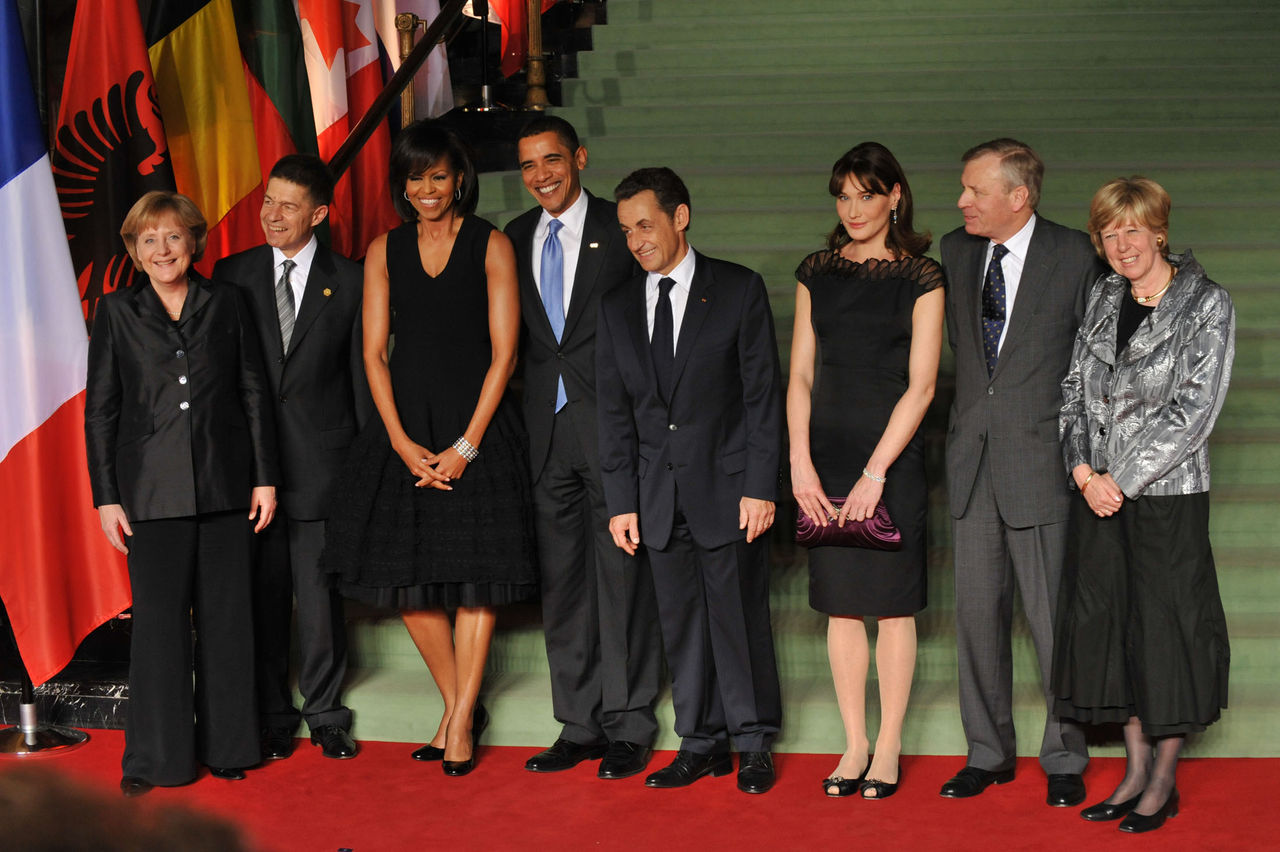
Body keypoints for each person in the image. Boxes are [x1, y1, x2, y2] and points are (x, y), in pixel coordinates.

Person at [318, 121, 537, 776]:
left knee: (475, 583)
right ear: (402, 185)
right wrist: (400, 441)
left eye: (439, 175)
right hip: (404, 432)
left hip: (480, 429)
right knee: (408, 584)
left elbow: (506, 353)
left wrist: (468, 443)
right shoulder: (385, 250)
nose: (428, 189)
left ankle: (459, 720)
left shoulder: (491, 244)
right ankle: (459, 705)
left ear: (459, 178)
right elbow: (372, 353)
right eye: (416, 177)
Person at [1053, 177, 1234, 833]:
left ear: (1159, 230)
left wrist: (1118, 479)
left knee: (1166, 630)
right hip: (1094, 494)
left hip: (1164, 500)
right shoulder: (1102, 296)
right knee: (1114, 628)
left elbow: (1194, 413)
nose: (1121, 244)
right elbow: (1072, 391)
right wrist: (1080, 470)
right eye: (1109, 232)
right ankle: (1132, 772)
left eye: (1133, 230)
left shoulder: (1205, 305)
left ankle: (1162, 782)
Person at [596, 167, 784, 794]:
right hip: (655, 495)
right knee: (679, 623)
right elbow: (615, 413)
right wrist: (622, 500)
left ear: (680, 217)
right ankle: (700, 741)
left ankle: (752, 741)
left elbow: (762, 399)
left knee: (736, 617)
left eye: (645, 225)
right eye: (626, 232)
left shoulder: (737, 289)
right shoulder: (617, 305)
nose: (636, 241)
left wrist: (761, 485)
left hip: (729, 489)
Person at [85, 191, 278, 796]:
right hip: (149, 495)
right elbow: (101, 413)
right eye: (149, 240)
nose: (162, 249)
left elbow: (252, 390)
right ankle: (156, 760)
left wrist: (264, 475)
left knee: (227, 623)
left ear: (194, 243)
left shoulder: (228, 301)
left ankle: (229, 747)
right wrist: (106, 497)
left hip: (227, 487)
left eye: (173, 237)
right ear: (135, 252)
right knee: (159, 630)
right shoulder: (116, 312)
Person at [939, 139, 1101, 806]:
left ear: (1018, 196)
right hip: (971, 462)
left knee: (1052, 619)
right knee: (977, 619)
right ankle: (988, 752)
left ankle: (1065, 755)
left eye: (975, 190)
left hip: (1043, 463)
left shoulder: (1075, 256)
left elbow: (1094, 367)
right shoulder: (953, 251)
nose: (962, 201)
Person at [504, 116, 662, 779]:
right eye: (529, 166)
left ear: (580, 159)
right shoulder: (512, 238)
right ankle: (579, 724)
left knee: (622, 582)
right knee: (564, 588)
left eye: (553, 160)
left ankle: (629, 725)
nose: (541, 175)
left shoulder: (619, 228)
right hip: (544, 436)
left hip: (613, 431)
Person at [787, 143, 943, 800]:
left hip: (892, 460)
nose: (853, 208)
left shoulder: (923, 276)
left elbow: (924, 384)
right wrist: (798, 461)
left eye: (865, 194)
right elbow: (799, 372)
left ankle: (888, 746)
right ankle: (853, 743)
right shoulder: (816, 270)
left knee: (892, 609)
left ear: (894, 197)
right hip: (823, 456)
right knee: (843, 610)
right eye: (843, 195)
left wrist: (878, 472)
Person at [213, 154, 370, 762]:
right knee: (263, 594)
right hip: (249, 469)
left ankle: (326, 713)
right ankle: (273, 713)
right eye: (268, 201)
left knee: (319, 597)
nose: (272, 215)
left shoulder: (351, 280)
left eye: (288, 205)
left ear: (319, 213)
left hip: (322, 467)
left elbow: (359, 381)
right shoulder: (230, 274)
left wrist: (360, 470)